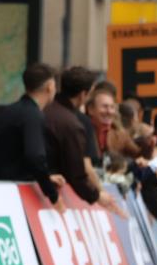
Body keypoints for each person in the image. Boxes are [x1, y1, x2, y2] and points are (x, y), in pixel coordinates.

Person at [44, 66, 122, 214]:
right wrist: (97, 195)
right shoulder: (73, 124)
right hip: (51, 198)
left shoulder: (45, 109)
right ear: (83, 95)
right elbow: (78, 171)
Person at [0, 62, 64, 210]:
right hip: (17, 199)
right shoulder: (33, 116)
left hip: (1, 190)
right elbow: (35, 157)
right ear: (50, 86)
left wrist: (45, 178)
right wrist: (52, 194)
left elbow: (13, 155)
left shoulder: (10, 111)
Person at [87, 81, 140, 165]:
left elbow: (137, 153)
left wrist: (148, 145)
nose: (109, 111)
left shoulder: (119, 134)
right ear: (91, 109)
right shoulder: (81, 131)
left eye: (112, 107)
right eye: (104, 107)